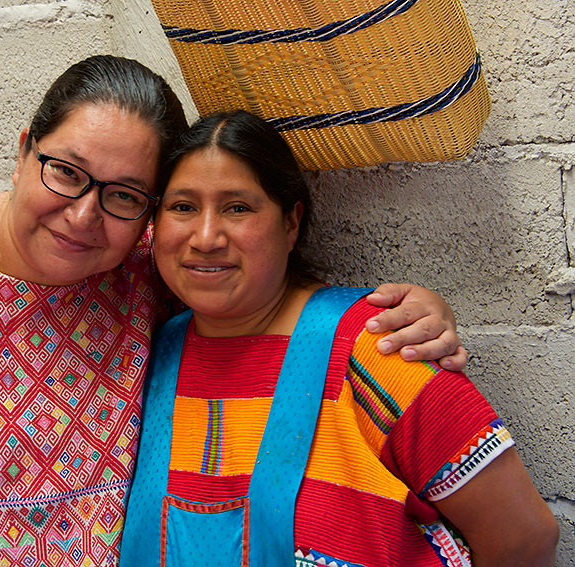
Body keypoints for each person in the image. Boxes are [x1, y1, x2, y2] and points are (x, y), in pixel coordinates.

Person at [0, 57, 467, 567]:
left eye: (125, 195)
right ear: (24, 150)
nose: (84, 214)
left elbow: (251, 279)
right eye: (65, 171)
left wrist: (410, 310)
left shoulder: (137, 270)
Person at [120, 110, 559, 567]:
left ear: (291, 223)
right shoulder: (146, 356)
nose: (206, 237)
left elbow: (525, 538)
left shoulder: (377, 347)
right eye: (183, 207)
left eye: (238, 208)